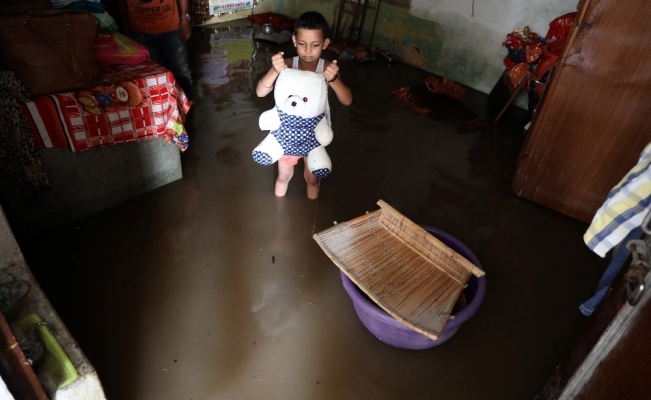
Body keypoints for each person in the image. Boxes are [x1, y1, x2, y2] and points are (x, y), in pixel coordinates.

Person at [256, 11, 353, 199]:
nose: (308, 50)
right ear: (294, 41)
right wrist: (274, 71)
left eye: (315, 45)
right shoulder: (285, 66)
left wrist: (333, 80)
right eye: (302, 44)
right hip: (286, 134)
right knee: (283, 176)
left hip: (314, 135)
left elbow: (347, 100)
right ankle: (278, 210)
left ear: (325, 43)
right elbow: (260, 92)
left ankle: (310, 209)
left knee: (312, 178)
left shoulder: (327, 69)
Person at [120, 0, 195, 102]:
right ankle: (163, 105)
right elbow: (122, 3)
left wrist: (184, 19)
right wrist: (126, 28)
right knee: (154, 74)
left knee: (181, 70)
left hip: (171, 27)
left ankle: (188, 103)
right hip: (140, 30)